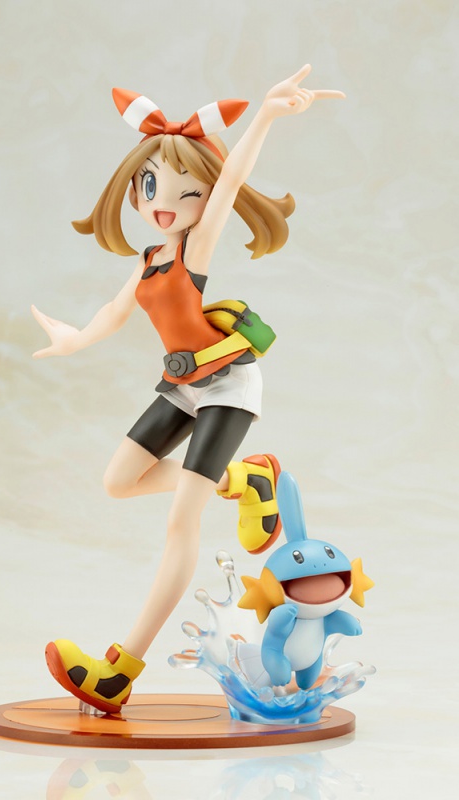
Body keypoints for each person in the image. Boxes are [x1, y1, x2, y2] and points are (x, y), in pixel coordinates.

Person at [32, 65, 345, 714]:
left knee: (182, 522)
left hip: (226, 383)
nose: (163, 201)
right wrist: (74, 340)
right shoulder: (149, 259)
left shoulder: (193, 250)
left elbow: (230, 182)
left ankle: (119, 672)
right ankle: (243, 481)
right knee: (119, 480)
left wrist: (266, 116)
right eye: (150, 185)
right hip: (181, 384)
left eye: (184, 189)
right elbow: (115, 313)